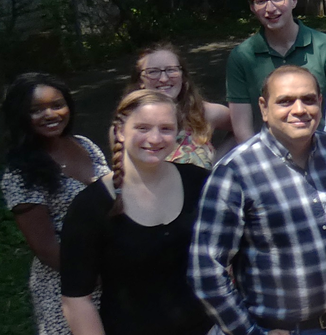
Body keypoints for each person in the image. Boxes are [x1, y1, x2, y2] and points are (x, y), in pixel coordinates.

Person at [190, 65, 326, 335]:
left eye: (309, 99)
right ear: (264, 109)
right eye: (285, 101)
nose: (299, 110)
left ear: (320, 102)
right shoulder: (236, 172)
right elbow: (206, 270)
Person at [60, 90, 214, 335]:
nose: (154, 138)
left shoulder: (200, 183)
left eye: (166, 129)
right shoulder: (91, 207)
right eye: (142, 128)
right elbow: (77, 299)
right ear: (120, 131)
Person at [1, 73, 107, 335]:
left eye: (57, 105)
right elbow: (47, 249)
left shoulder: (85, 145)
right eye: (36, 110)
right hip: (71, 286)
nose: (50, 114)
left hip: (112, 272)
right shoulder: (20, 173)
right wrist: (101, 275)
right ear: (20, 116)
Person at [226, 0, 326, 143]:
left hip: (321, 148)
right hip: (267, 154)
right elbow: (242, 129)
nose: (270, 8)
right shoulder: (242, 56)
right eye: (261, 1)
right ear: (252, 8)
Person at [128, 42, 232, 168]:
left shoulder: (204, 113)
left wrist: (220, 160)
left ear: (183, 76)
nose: (164, 79)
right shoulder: (127, 123)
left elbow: (246, 128)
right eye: (153, 72)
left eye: (171, 70)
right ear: (140, 81)